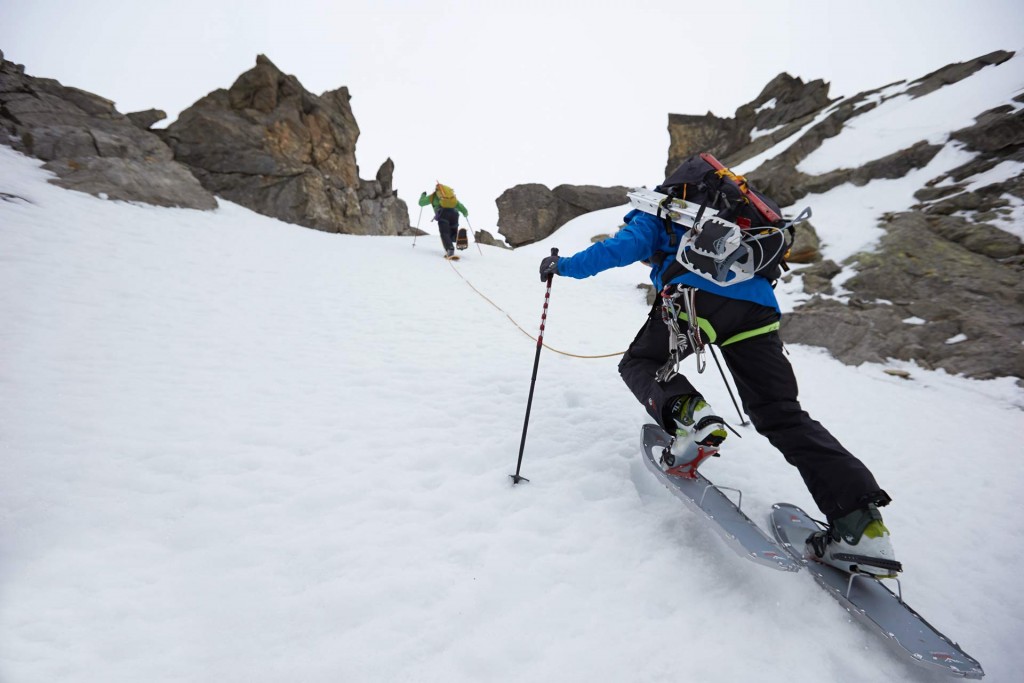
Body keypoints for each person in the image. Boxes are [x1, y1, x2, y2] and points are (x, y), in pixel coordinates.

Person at [537, 169, 901, 579]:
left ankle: (692, 419)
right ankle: (861, 527)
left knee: (640, 362)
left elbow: (619, 249)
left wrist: (561, 266)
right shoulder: (732, 217)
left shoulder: (658, 209)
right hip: (758, 309)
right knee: (781, 414)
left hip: (696, 296)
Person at [419, 183, 469, 259]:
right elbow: (459, 205)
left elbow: (421, 203)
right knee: (451, 234)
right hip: (455, 214)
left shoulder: (433, 196)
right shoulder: (450, 197)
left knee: (445, 233)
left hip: (443, 214)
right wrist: (465, 213)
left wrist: (423, 195)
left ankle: (450, 249)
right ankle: (458, 237)